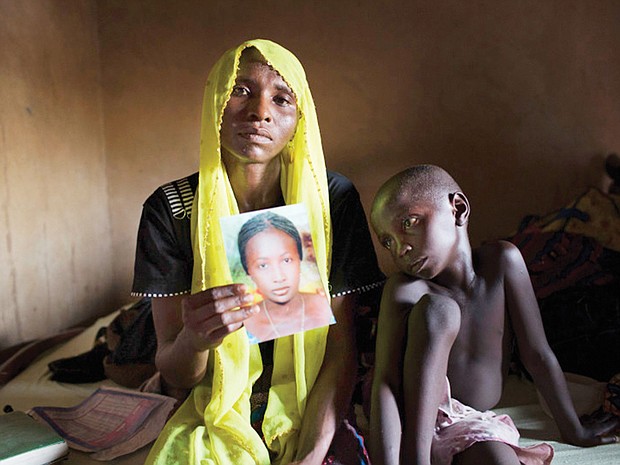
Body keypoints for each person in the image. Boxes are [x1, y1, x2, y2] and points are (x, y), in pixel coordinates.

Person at [131, 39, 384, 465]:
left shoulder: (330, 201)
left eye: (281, 98)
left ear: (300, 119)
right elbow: (176, 373)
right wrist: (194, 339)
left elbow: (340, 351)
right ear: (215, 101)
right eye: (241, 90)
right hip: (213, 394)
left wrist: (310, 455)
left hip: (312, 393)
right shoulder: (171, 209)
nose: (259, 112)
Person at [367, 164, 620, 465]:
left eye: (409, 223)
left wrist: (574, 430)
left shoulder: (502, 263)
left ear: (458, 209)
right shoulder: (405, 290)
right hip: (408, 429)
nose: (401, 249)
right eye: (388, 241)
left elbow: (537, 355)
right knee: (439, 311)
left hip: (467, 423)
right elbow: (386, 384)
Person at [237, 211, 334, 344]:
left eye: (286, 260)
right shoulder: (241, 321)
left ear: (299, 260)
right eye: (263, 265)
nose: (278, 277)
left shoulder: (324, 305)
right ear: (248, 272)